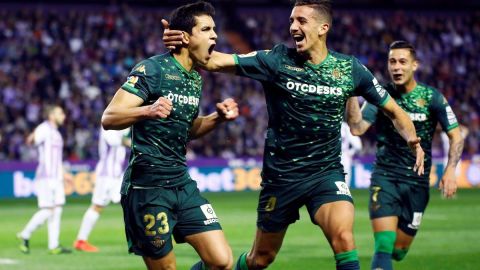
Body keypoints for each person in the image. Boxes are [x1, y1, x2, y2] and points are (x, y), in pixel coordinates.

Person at [163, 1, 424, 269]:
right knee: (260, 259)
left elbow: (394, 111)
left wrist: (412, 139)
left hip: (326, 173)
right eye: (291, 21)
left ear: (323, 28)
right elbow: (213, 61)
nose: (293, 27)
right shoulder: (276, 61)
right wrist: (183, 44)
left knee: (344, 238)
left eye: (301, 21)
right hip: (281, 178)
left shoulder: (349, 69)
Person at [101, 2, 239, 269]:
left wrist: (217, 118)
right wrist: (147, 110)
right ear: (186, 37)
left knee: (221, 261)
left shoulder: (195, 78)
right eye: (207, 29)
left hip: (182, 184)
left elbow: (187, 130)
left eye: (215, 30)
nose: (215, 36)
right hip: (147, 189)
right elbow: (109, 118)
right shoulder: (152, 70)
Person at [346, 40, 464, 270]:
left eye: (402, 62)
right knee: (383, 245)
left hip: (417, 183)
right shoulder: (380, 95)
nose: (397, 67)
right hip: (385, 178)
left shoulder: (432, 98)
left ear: (415, 65)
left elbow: (456, 136)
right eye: (392, 62)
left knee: (398, 252)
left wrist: (450, 170)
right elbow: (357, 128)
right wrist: (351, 93)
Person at [17, 105, 71, 255]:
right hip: (46, 177)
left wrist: (64, 173)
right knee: (48, 210)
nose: (64, 116)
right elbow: (30, 141)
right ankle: (25, 233)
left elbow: (57, 159)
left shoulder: (57, 134)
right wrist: (32, 137)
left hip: (56, 177)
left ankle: (53, 245)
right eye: (60, 113)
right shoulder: (44, 129)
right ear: (52, 115)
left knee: (57, 209)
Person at [74, 127, 131, 252]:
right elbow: (118, 141)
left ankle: (142, 237)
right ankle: (81, 240)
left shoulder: (120, 124)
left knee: (132, 201)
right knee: (97, 206)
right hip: (106, 175)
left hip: (116, 175)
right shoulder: (108, 125)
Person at [341, 121, 362, 187]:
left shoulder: (324, 123)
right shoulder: (344, 126)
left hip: (328, 156)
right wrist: (350, 153)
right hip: (343, 156)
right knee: (345, 185)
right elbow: (358, 145)